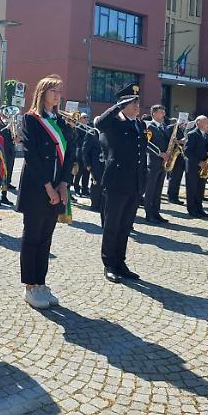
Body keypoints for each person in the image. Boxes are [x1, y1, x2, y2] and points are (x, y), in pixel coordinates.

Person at [17, 75, 73, 309]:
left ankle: (41, 282)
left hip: (57, 187)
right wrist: (49, 187)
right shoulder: (31, 119)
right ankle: (30, 286)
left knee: (46, 238)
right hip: (37, 187)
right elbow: (32, 156)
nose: (57, 95)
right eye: (53, 91)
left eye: (59, 91)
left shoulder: (61, 122)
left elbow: (70, 154)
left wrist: (63, 184)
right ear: (42, 93)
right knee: (32, 236)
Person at [94, 83, 147, 283]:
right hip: (116, 182)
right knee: (112, 226)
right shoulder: (113, 122)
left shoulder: (140, 124)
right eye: (132, 102)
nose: (137, 105)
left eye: (138, 102)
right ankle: (109, 264)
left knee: (125, 226)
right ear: (123, 104)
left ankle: (120, 263)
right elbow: (100, 124)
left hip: (134, 183)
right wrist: (118, 106)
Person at [144, 105, 170, 224]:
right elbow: (147, 144)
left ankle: (156, 212)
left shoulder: (163, 127)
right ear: (153, 113)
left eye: (164, 112)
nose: (164, 114)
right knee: (150, 190)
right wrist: (160, 153)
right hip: (153, 162)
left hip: (162, 163)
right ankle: (149, 214)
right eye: (161, 112)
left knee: (158, 189)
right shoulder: (149, 126)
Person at [185, 115, 208, 218]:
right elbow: (187, 151)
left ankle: (199, 208)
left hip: (203, 165)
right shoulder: (192, 134)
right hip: (193, 166)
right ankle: (192, 209)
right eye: (206, 122)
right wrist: (199, 162)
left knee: (200, 188)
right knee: (192, 189)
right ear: (198, 123)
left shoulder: (205, 134)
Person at [82, 127, 105, 213]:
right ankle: (94, 205)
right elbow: (85, 150)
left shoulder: (105, 132)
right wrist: (87, 164)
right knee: (96, 184)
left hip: (104, 163)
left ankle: (101, 204)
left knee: (102, 185)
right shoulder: (91, 133)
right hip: (95, 163)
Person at [167, 120, 186, 204]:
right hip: (174, 155)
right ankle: (172, 197)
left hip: (182, 156)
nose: (184, 123)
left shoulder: (187, 129)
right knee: (174, 178)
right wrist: (178, 141)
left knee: (178, 178)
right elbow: (168, 141)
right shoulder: (171, 128)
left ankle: (175, 196)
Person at [73, 114, 90, 197]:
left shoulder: (89, 128)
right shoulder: (78, 127)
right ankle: (76, 189)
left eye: (87, 117)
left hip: (87, 154)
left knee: (86, 172)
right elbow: (77, 139)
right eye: (85, 117)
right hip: (80, 153)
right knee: (79, 172)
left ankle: (85, 190)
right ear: (80, 119)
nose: (87, 119)